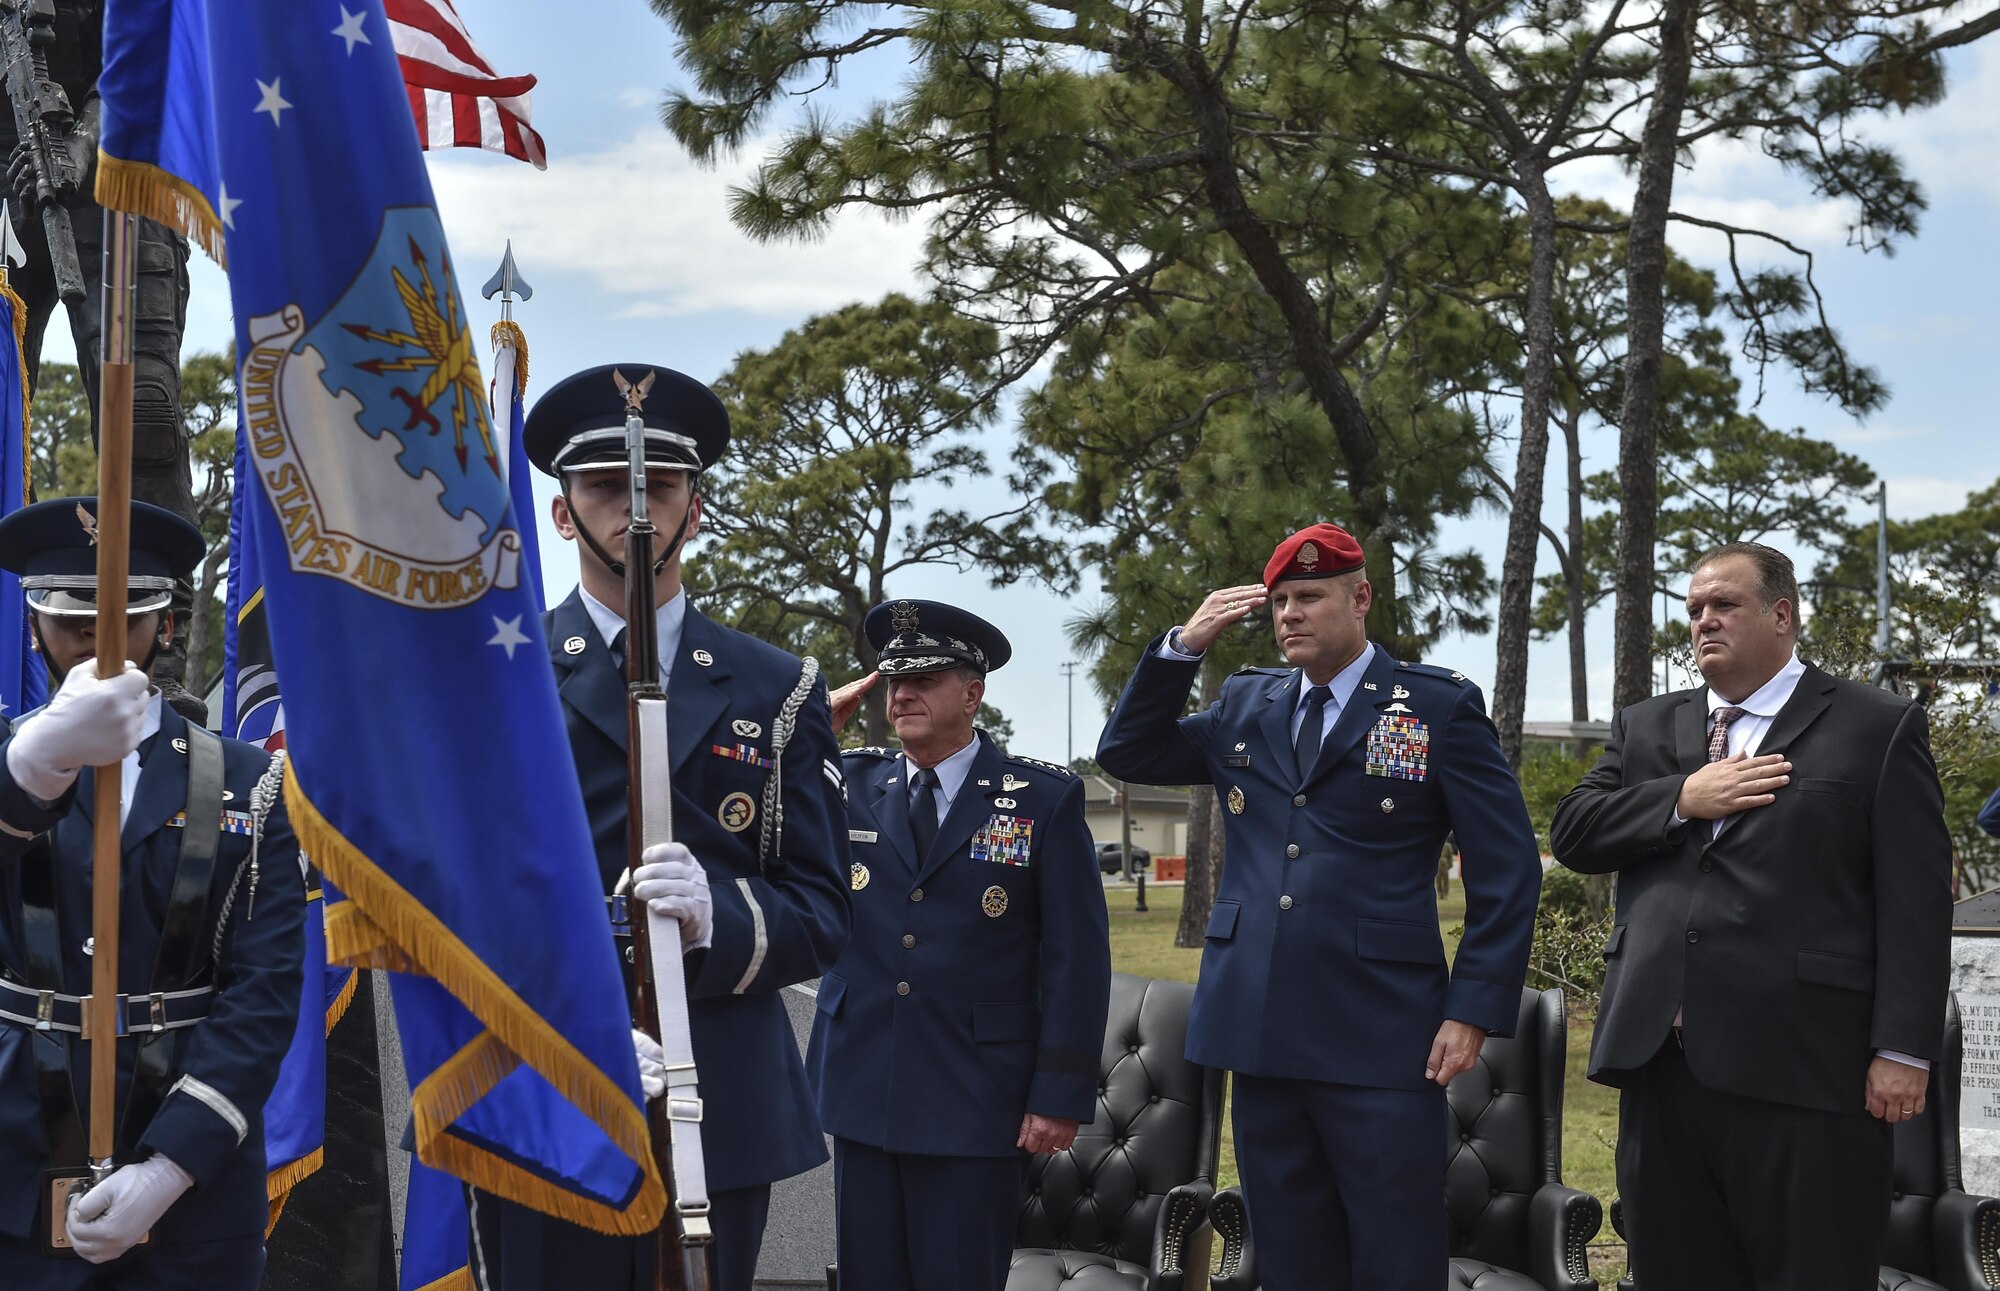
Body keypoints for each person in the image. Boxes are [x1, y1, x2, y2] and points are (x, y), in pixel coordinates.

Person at [1097, 522, 1541, 1291]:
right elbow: (1128, 753)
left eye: (1310, 596)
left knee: (1395, 1250)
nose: (1290, 614)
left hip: (1381, 1030)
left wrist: (1471, 1010)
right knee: (1292, 1253)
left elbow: (1508, 870)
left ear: (1360, 597)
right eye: (1279, 601)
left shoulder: (1435, 707)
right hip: (1259, 1028)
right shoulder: (1246, 702)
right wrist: (1181, 649)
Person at [486, 363, 850, 1291]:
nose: (633, 508)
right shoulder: (498, 674)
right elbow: (455, 890)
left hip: (717, 1091)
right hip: (541, 1077)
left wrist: (717, 916)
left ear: (696, 505)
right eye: (607, 487)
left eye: (657, 485)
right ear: (562, 513)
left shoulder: (777, 685)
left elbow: (822, 907)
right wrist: (578, 1016)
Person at [1550, 541, 1952, 1291]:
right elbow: (1574, 830)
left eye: (1724, 604)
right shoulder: (1648, 727)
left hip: (1808, 1072)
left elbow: (1918, 901)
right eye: (1694, 608)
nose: (1704, 620)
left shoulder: (1877, 725)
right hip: (1661, 1068)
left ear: (1782, 615)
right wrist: (1679, 797)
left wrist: (1904, 1047)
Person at [0, 498, 304, 1289]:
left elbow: (263, 995)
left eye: (127, 616)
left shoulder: (251, 782)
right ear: (34, 625)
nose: (99, 640)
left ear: (166, 624)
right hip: (14, 1165)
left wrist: (172, 1164)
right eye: (71, 620)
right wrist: (29, 775)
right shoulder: (8, 767)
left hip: (195, 1191)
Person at [809, 599, 1110, 1291]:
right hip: (864, 1082)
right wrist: (802, 741)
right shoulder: (846, 780)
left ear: (973, 692)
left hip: (976, 1095)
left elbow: (1076, 959)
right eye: (893, 680)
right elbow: (752, 819)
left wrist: (1059, 1091)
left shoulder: (1041, 799)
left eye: (925, 679)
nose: (902, 693)